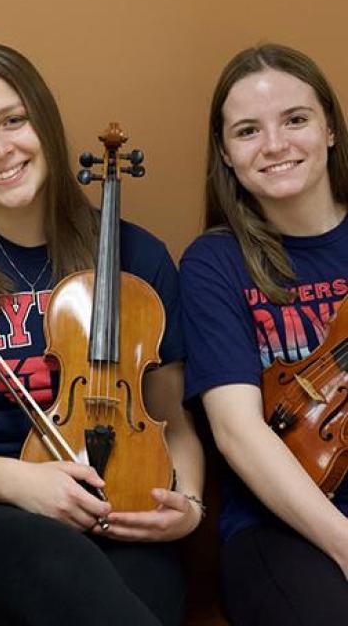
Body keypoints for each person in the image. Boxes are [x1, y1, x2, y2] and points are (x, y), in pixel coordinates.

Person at [0, 41, 205, 626]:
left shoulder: (136, 257)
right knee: (54, 564)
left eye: (13, 120)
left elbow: (170, 422)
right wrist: (23, 484)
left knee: (136, 593)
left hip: (116, 514)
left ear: (44, 124)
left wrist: (191, 506)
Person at [180, 43, 348, 625]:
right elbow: (237, 432)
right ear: (225, 154)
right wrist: (344, 542)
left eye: (295, 119)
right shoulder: (213, 264)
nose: (275, 145)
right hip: (279, 530)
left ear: (329, 127)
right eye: (249, 131)